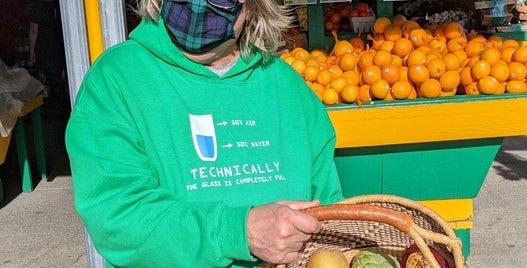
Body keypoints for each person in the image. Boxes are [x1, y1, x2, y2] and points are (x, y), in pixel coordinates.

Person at [65, 0, 345, 267]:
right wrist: (239, 232)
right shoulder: (116, 79)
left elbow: (328, 214)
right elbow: (119, 218)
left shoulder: (286, 86)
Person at [28, 0, 69, 119]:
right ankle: (62, 106)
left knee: (53, 80)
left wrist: (31, 50)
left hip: (45, 47)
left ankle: (56, 109)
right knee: (59, 78)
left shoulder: (36, 7)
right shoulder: (59, 4)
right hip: (61, 46)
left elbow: (34, 30)